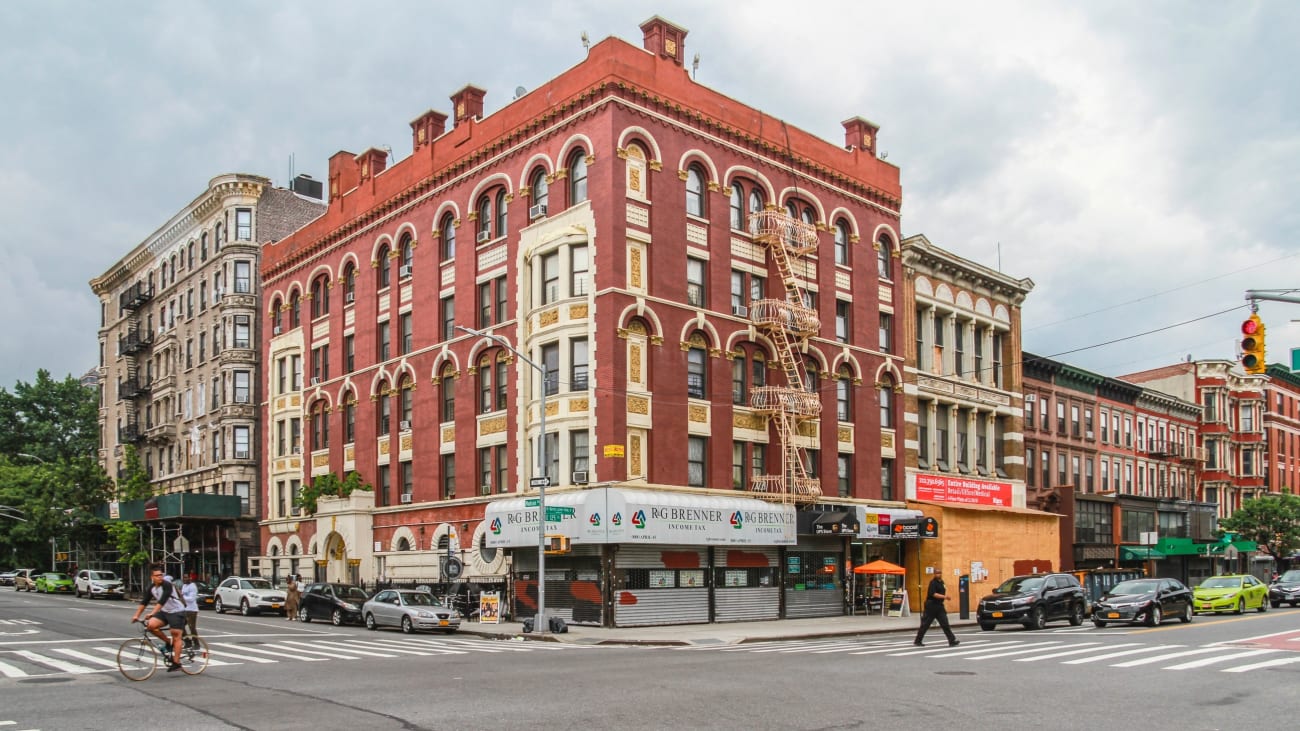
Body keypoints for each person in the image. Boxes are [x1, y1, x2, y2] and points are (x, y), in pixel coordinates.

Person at [131, 566, 186, 671]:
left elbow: (162, 601)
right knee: (150, 626)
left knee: (175, 634)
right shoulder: (152, 588)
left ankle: (176, 662)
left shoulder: (167, 585)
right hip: (165, 612)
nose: (160, 577)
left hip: (177, 611)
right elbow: (144, 602)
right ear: (152, 577)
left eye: (161, 575)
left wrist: (152, 613)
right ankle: (168, 642)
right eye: (157, 575)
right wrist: (136, 615)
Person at [914, 573, 959, 647]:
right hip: (931, 606)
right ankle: (918, 640)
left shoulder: (942, 582)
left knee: (945, 623)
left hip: (939, 606)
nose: (939, 574)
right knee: (925, 624)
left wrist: (944, 597)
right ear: (934, 574)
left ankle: (952, 640)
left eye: (940, 573)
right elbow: (933, 594)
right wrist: (945, 597)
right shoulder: (933, 583)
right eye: (937, 573)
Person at [180, 573, 200, 645]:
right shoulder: (184, 586)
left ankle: (196, 642)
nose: (184, 579)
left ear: (190, 578)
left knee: (191, 627)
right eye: (183, 578)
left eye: (186, 577)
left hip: (192, 610)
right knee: (180, 626)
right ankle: (187, 641)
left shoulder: (193, 586)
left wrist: (182, 598)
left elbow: (192, 598)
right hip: (184, 609)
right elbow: (182, 596)